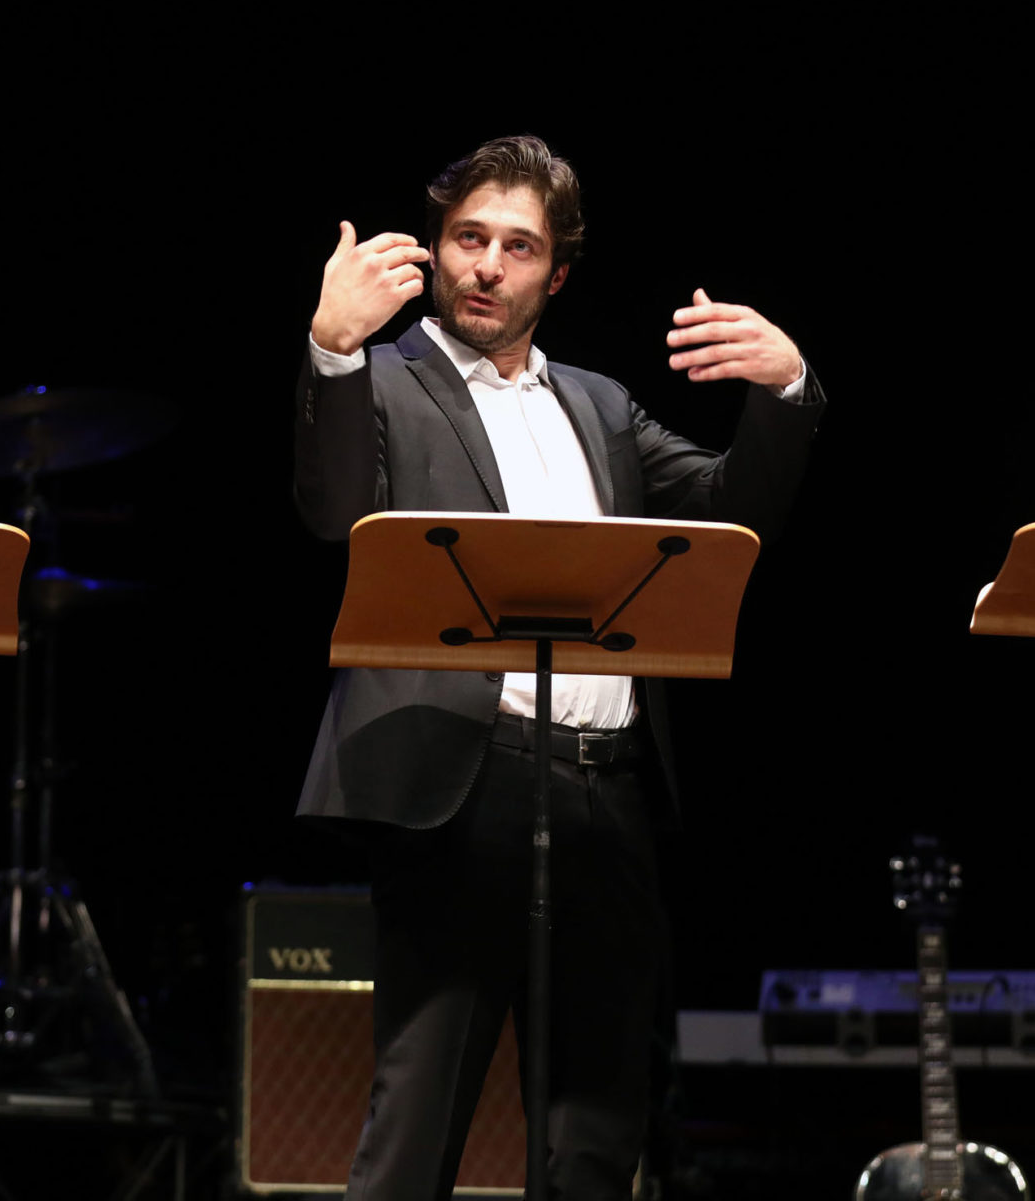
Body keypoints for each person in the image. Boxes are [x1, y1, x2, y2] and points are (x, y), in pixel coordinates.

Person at [293, 136, 824, 1197]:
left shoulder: (598, 405)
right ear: (438, 253)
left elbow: (726, 517)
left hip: (606, 790)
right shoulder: (387, 382)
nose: (487, 265)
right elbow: (335, 518)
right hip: (458, 784)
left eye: (518, 246)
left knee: (596, 1126)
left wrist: (787, 388)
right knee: (421, 1112)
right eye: (467, 239)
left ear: (558, 273)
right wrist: (333, 352)